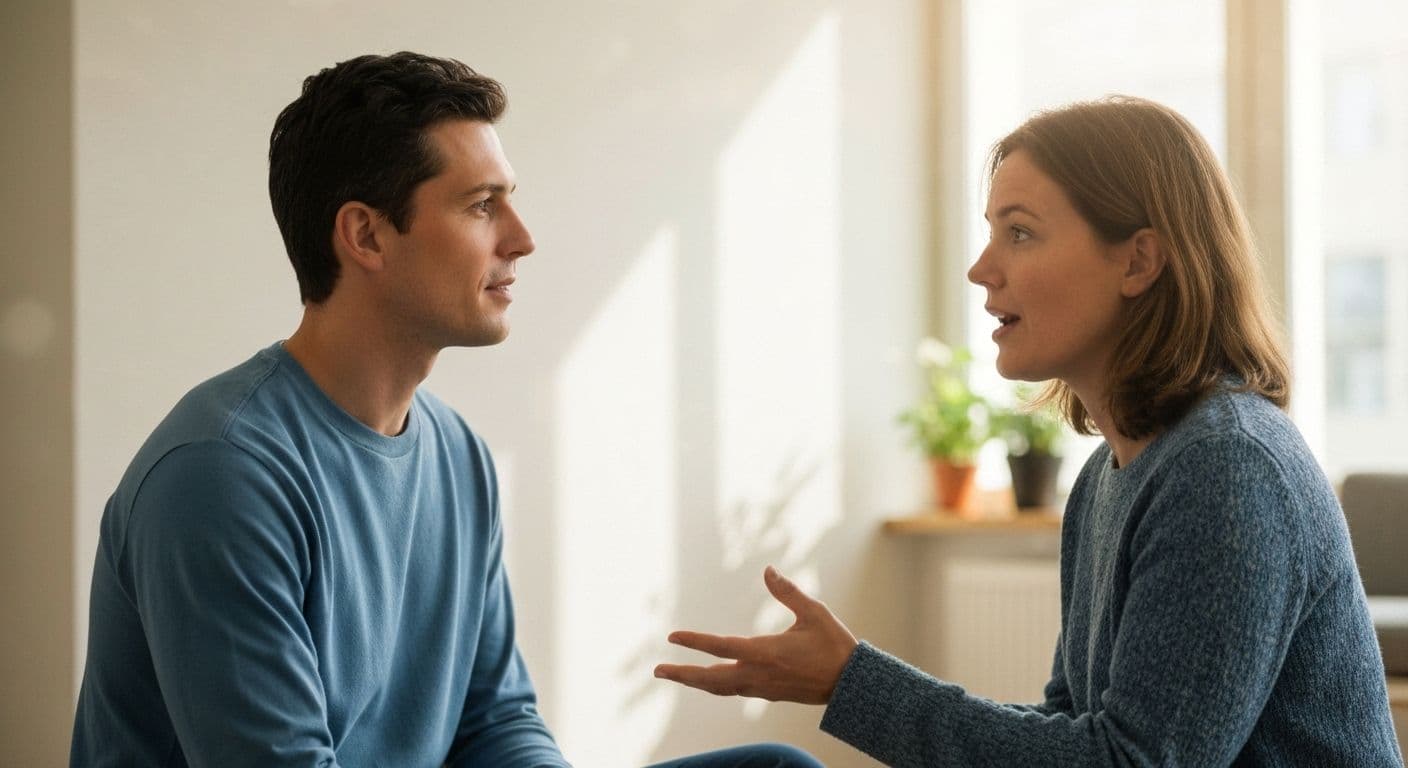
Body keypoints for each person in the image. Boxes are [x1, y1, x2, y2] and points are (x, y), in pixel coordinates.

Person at [69, 52, 821, 768]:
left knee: (777, 766)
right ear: (366, 235)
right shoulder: (220, 475)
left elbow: (494, 719)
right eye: (482, 206)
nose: (521, 241)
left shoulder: (456, 454)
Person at [654, 96, 1405, 766]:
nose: (981, 269)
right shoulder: (1110, 476)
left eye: (1019, 233)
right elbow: (1067, 731)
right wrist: (853, 684)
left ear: (1139, 260)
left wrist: (853, 681)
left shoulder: (1228, 468)